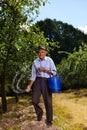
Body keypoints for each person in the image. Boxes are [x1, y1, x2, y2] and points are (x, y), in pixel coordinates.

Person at [26, 45, 57, 126]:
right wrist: (29, 86)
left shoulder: (49, 60)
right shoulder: (35, 62)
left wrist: (45, 70)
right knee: (34, 100)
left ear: (45, 52)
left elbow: (54, 72)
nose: (41, 54)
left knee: (48, 102)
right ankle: (40, 113)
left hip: (47, 81)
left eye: (42, 52)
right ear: (37, 53)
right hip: (37, 81)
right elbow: (33, 76)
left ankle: (49, 121)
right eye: (39, 52)